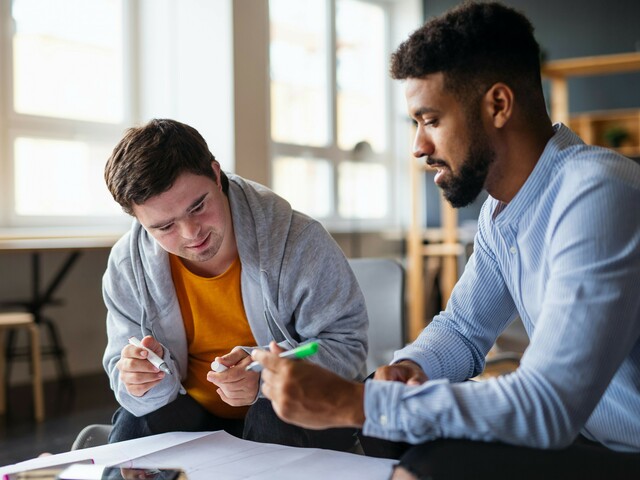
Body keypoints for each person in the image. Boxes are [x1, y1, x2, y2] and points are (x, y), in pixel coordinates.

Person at [252, 2, 640, 478]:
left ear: (498, 105)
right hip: (588, 436)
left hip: (622, 446)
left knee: (432, 460)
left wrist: (357, 401)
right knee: (386, 428)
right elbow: (461, 329)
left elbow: (548, 405)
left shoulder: (598, 193)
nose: (418, 146)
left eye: (430, 119)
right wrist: (409, 367)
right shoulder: (503, 214)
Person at [102, 118, 367, 451]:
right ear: (139, 221)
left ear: (216, 174)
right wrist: (140, 381)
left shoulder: (298, 240)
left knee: (275, 415)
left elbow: (348, 346)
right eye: (164, 227)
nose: (191, 233)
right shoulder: (128, 264)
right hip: (195, 412)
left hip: (290, 409)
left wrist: (266, 377)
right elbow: (120, 366)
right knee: (135, 426)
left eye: (198, 206)